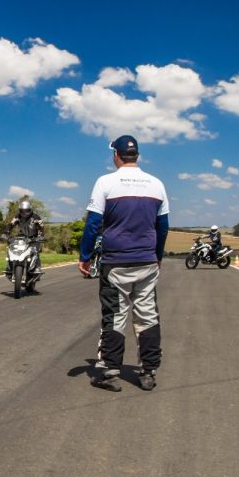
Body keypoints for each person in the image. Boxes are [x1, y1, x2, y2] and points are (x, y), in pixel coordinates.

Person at [78, 135, 170, 392]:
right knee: (147, 315)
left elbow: (93, 224)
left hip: (115, 262)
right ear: (136, 155)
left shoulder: (105, 182)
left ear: (116, 156)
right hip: (146, 261)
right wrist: (158, 255)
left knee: (115, 316)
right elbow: (163, 227)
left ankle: (110, 372)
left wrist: (85, 256)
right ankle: (148, 372)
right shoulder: (157, 184)